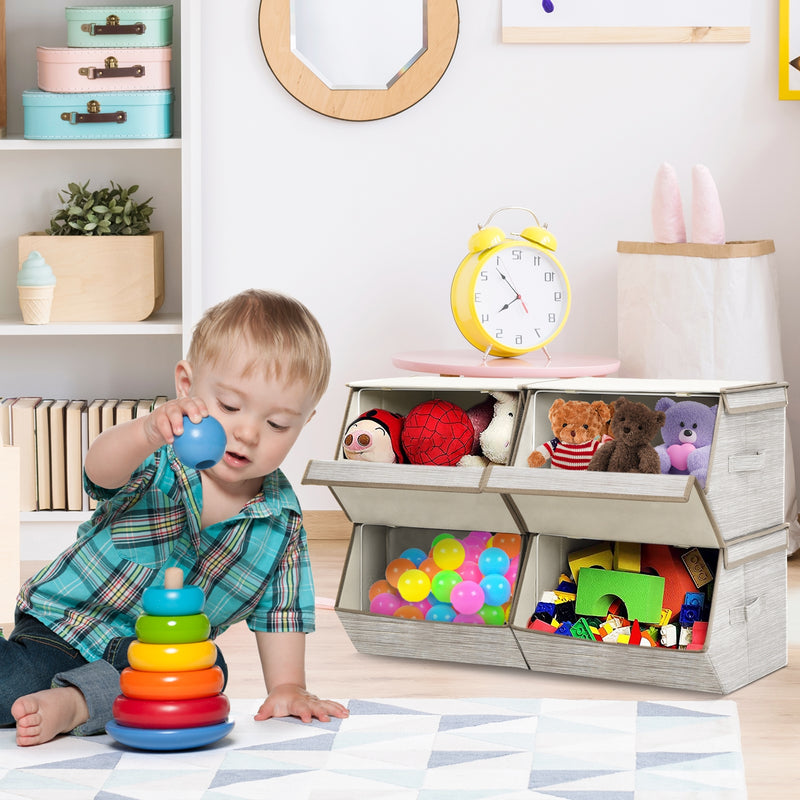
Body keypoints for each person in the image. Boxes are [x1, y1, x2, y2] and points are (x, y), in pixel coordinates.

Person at [1, 289, 349, 746]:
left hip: (149, 661)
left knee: (209, 672)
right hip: (63, 627)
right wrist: (146, 431)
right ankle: (64, 691)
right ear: (187, 386)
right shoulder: (160, 456)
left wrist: (287, 688)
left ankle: (76, 704)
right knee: (12, 683)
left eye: (278, 424)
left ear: (304, 423)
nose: (247, 432)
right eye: (229, 407)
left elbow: (282, 613)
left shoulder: (281, 521)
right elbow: (98, 471)